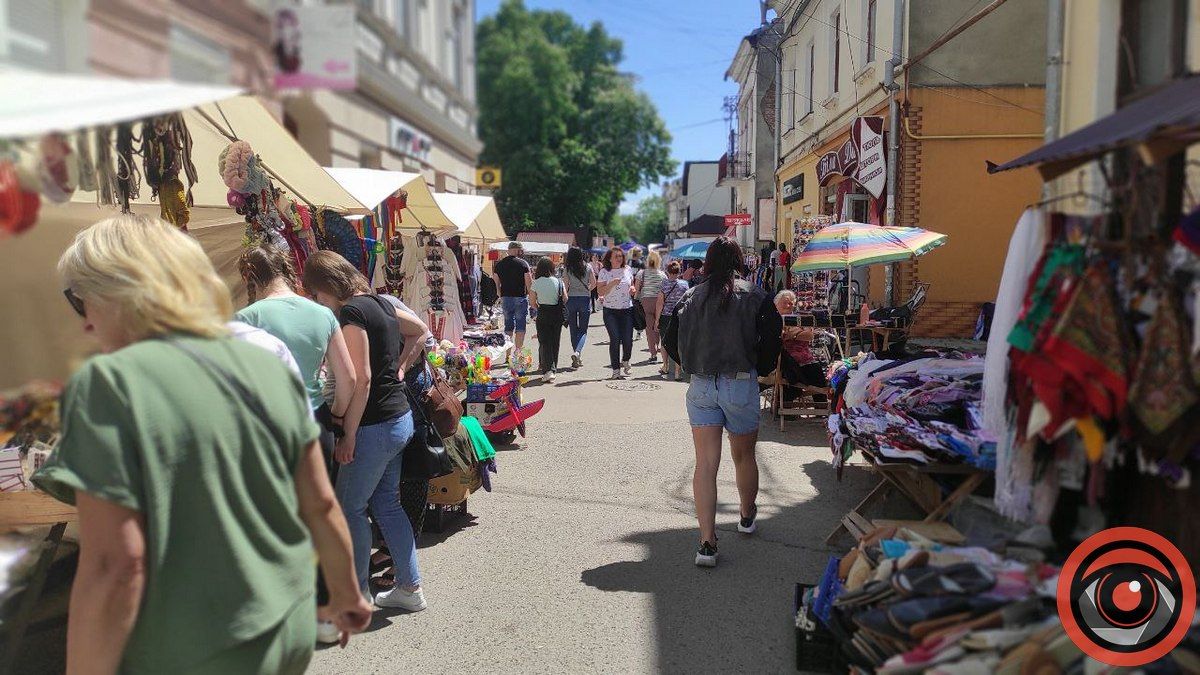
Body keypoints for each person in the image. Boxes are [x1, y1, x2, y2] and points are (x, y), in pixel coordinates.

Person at [35, 214, 370, 674]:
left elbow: (115, 565)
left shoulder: (109, 382)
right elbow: (318, 503)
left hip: (195, 645)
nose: (84, 323)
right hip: (281, 625)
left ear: (121, 293)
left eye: (79, 302)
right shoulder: (266, 365)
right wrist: (347, 594)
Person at [302, 251, 430, 612]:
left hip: (374, 425)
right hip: (398, 418)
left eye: (316, 293)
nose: (316, 301)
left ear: (326, 286)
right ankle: (409, 586)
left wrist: (348, 433)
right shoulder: (381, 303)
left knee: (349, 507)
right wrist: (402, 366)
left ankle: (356, 593)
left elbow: (361, 379)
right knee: (386, 504)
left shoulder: (352, 312)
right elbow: (419, 331)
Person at [669, 236, 781, 568]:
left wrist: (689, 366)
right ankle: (746, 517)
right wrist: (758, 369)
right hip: (740, 382)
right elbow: (773, 337)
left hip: (701, 384)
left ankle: (707, 543)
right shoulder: (756, 295)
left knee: (705, 464)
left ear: (707, 262)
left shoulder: (690, 295)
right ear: (737, 261)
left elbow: (670, 339)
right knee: (744, 456)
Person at [773, 290, 829, 391]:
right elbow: (779, 336)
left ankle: (823, 405)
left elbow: (809, 336)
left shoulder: (798, 319)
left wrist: (791, 334)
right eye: (785, 302)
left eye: (791, 303)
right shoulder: (773, 320)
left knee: (816, 370)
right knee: (797, 373)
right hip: (785, 363)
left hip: (805, 361)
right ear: (776, 304)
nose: (788, 305)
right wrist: (798, 333)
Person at [596, 246, 635, 380]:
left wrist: (633, 289)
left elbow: (632, 284)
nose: (619, 259)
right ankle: (616, 370)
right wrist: (611, 283)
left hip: (627, 310)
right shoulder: (604, 272)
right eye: (616, 256)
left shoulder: (628, 269)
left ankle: (626, 359)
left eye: (621, 256)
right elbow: (600, 292)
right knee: (615, 339)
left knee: (628, 340)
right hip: (610, 311)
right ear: (610, 259)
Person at [529, 256, 568, 382]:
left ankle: (548, 370)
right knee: (555, 341)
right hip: (556, 313)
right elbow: (565, 298)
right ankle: (553, 369)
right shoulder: (558, 281)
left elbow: (532, 303)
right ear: (552, 268)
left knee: (544, 342)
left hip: (543, 313)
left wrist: (539, 306)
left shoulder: (536, 283)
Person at [492, 241, 533, 352]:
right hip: (520, 297)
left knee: (508, 326)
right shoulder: (523, 264)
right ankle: (517, 353)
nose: (522, 252)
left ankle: (508, 354)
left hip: (505, 297)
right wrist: (532, 296)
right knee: (520, 327)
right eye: (521, 250)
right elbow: (529, 283)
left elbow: (495, 281)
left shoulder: (499, 265)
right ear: (517, 250)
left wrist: (499, 293)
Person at [562, 246, 596, 368]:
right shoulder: (588, 266)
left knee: (573, 329)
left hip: (571, 299)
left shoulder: (567, 269)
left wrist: (563, 300)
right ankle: (577, 353)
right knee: (583, 330)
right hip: (584, 299)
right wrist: (587, 289)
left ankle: (576, 354)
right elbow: (594, 283)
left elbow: (565, 286)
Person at [656, 261, 690, 381]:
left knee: (664, 342)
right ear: (679, 272)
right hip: (680, 316)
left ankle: (665, 365)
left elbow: (660, 303)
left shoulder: (664, 284)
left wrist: (657, 319)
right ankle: (677, 371)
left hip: (666, 316)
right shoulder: (684, 285)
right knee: (678, 342)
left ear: (668, 272)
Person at [633, 250, 666, 363]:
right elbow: (665, 289)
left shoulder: (642, 273)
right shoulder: (662, 274)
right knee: (657, 325)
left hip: (646, 301)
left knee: (649, 327)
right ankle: (658, 347)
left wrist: (635, 300)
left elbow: (636, 290)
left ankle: (653, 354)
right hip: (659, 301)